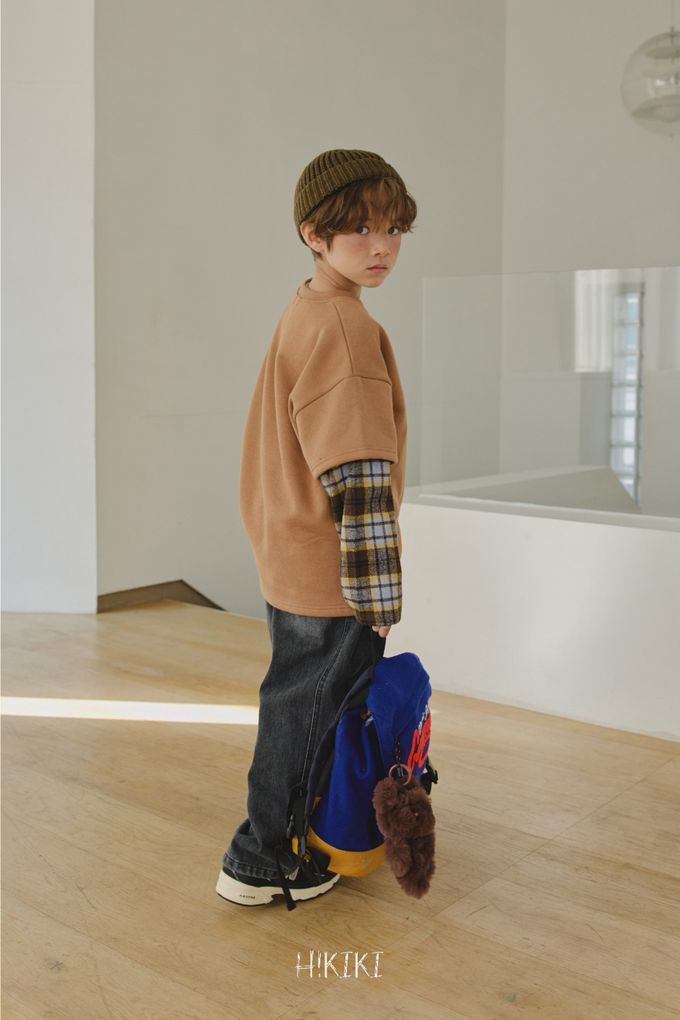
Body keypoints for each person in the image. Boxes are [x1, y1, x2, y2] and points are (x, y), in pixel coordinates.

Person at [216, 149, 417, 907]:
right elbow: (358, 475)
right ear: (313, 232)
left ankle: (289, 842)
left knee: (296, 703)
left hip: (289, 548)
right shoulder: (345, 326)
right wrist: (378, 597)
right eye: (360, 228)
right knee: (308, 715)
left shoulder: (305, 307)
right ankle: (265, 860)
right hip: (331, 566)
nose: (381, 246)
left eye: (393, 228)